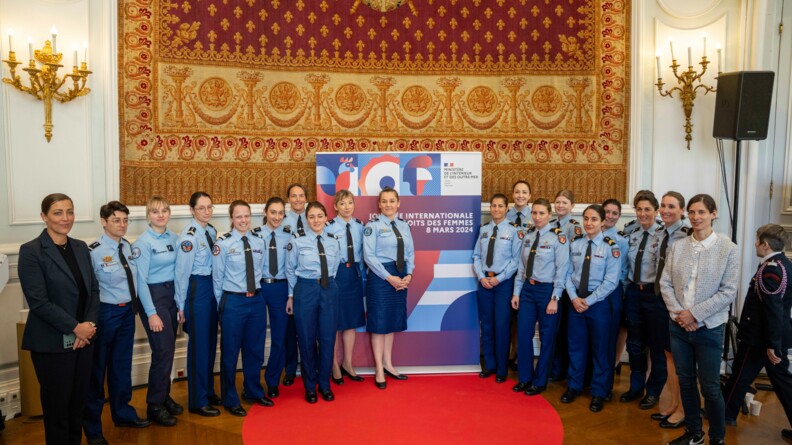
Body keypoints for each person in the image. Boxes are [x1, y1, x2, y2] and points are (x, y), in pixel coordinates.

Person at [18, 193, 99, 445]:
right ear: (44, 216)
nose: (65, 218)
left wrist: (89, 327)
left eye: (70, 212)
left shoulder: (80, 247)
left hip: (83, 342)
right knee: (57, 412)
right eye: (58, 212)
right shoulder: (31, 251)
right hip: (52, 344)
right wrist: (76, 328)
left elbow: (93, 291)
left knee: (77, 406)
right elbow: (39, 302)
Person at [660, 194, 738, 445]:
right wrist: (680, 314)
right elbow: (665, 283)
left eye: (702, 212)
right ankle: (694, 433)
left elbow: (728, 291)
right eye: (692, 212)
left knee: (710, 387)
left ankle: (717, 438)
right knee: (685, 381)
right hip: (679, 326)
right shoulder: (678, 246)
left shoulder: (728, 248)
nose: (696, 217)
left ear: (714, 214)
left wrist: (695, 314)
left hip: (710, 328)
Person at [83, 201, 151, 444]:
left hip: (126, 315)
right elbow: (88, 290)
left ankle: (123, 413)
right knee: (96, 371)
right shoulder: (93, 251)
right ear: (103, 221)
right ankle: (93, 429)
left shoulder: (128, 247)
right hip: (104, 315)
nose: (122, 225)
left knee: (121, 367)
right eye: (116, 220)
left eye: (125, 220)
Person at [722, 223, 792, 440]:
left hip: (761, 339)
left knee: (741, 376)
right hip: (769, 337)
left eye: (757, 240)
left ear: (766, 244)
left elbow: (773, 309)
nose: (754, 244)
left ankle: (725, 415)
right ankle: (726, 413)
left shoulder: (771, 269)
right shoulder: (784, 264)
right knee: (783, 383)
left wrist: (772, 344)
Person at [213, 200, 273, 416]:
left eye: (246, 215)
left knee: (255, 350)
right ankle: (230, 398)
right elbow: (217, 279)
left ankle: (253, 391)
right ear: (231, 218)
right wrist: (222, 307)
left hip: (256, 300)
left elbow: (261, 270)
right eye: (238, 216)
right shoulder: (224, 244)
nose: (243, 220)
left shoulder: (259, 241)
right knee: (230, 353)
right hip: (233, 302)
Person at [559, 204, 621, 413]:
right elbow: (566, 274)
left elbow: (611, 281)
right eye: (586, 218)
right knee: (575, 347)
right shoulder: (575, 244)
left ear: (603, 221)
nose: (588, 223)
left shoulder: (610, 247)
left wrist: (590, 301)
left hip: (598, 304)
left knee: (600, 349)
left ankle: (598, 391)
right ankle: (574, 386)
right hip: (576, 301)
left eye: (594, 219)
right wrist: (575, 298)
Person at [132, 196, 182, 427]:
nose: (160, 215)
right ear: (147, 215)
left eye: (164, 210)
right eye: (155, 211)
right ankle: (154, 405)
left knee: (169, 350)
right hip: (154, 298)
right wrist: (151, 313)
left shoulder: (174, 237)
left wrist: (180, 303)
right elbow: (140, 282)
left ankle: (163, 396)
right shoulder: (143, 243)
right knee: (162, 350)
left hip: (171, 296)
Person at [285, 201, 342, 403]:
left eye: (320, 216)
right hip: (305, 290)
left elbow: (335, 266)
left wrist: (326, 282)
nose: (316, 220)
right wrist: (292, 295)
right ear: (306, 220)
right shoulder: (297, 241)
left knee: (327, 339)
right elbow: (290, 270)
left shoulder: (334, 240)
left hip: (329, 289)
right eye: (312, 217)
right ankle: (310, 386)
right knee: (307, 339)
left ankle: (324, 385)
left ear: (326, 217)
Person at [511, 198, 569, 395]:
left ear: (549, 215)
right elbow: (521, 267)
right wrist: (516, 292)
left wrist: (555, 298)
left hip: (547, 292)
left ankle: (540, 380)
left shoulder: (558, 238)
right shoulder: (528, 236)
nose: (537, 217)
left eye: (541, 213)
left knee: (547, 337)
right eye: (534, 213)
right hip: (528, 290)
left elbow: (563, 270)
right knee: (523, 334)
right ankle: (525, 378)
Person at [174, 191, 222, 417]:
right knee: (199, 347)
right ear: (192, 210)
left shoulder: (211, 231)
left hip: (211, 289)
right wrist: (180, 305)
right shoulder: (189, 236)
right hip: (197, 290)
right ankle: (197, 400)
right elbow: (181, 274)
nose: (207, 211)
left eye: (210, 207)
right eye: (201, 208)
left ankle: (208, 391)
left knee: (211, 344)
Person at [363, 187, 415, 389]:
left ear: (398, 203)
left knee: (391, 322)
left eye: (392, 201)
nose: (388, 205)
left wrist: (409, 274)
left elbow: (410, 252)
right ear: (379, 204)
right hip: (380, 277)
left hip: (400, 274)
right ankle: (378, 369)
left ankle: (388, 364)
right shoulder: (372, 226)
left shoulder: (404, 225)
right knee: (379, 323)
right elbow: (369, 256)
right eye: (384, 201)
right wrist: (388, 277)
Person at [621, 191, 667, 411]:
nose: (642, 213)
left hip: (654, 295)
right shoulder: (631, 231)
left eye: (647, 209)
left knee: (657, 346)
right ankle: (635, 387)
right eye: (639, 209)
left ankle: (653, 391)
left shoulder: (664, 234)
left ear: (656, 210)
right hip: (633, 293)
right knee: (635, 344)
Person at [473, 194, 522, 383]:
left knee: (502, 326)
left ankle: (502, 368)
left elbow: (516, 260)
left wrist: (500, 279)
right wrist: (481, 276)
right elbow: (477, 256)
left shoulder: (514, 231)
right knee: (486, 325)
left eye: (500, 206)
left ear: (506, 208)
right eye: (493, 206)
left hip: (503, 285)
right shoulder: (484, 230)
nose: (496, 209)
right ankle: (490, 365)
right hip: (485, 283)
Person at [652, 192, 691, 428]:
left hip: (677, 304)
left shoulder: (686, 236)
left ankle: (684, 409)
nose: (665, 210)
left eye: (671, 206)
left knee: (680, 358)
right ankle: (674, 404)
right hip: (661, 300)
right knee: (668, 355)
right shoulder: (660, 233)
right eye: (663, 206)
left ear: (682, 210)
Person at [324, 190, 366, 384]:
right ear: (335, 207)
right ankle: (334, 365)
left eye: (350, 203)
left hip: (354, 275)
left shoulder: (360, 227)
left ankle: (347, 363)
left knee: (350, 322)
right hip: (336, 275)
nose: (347, 207)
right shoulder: (328, 227)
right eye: (342, 204)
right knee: (334, 323)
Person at [253, 197, 293, 399]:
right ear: (265, 212)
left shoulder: (290, 237)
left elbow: (293, 268)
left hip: (281, 289)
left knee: (279, 338)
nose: (277, 217)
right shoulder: (254, 236)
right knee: (256, 338)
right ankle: (252, 384)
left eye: (280, 213)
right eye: (273, 212)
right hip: (260, 288)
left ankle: (272, 381)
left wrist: (291, 295)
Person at [550, 189, 581, 382]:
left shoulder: (575, 227)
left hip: (566, 283)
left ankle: (564, 370)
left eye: (564, 202)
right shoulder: (550, 224)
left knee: (566, 330)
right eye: (558, 202)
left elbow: (573, 258)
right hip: (551, 281)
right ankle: (555, 368)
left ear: (572, 206)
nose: (560, 205)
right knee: (554, 328)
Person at [601, 198, 629, 398]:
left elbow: (625, 271)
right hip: (589, 293)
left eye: (614, 213)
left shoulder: (621, 241)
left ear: (619, 216)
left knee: (608, 339)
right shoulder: (589, 234)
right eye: (607, 212)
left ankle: (605, 384)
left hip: (611, 293)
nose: (610, 216)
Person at [281, 183, 308, 386]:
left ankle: (309, 367)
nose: (298, 199)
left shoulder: (314, 217)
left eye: (301, 195)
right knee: (290, 329)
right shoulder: (281, 220)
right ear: (288, 199)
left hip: (308, 280)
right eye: (293, 196)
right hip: (287, 279)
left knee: (309, 327)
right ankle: (290, 369)